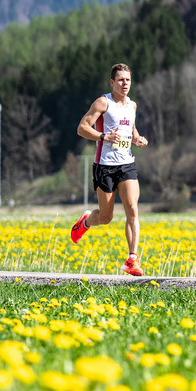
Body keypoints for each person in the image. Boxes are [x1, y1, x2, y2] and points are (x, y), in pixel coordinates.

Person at [70, 63, 149, 276]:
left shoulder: (132, 106)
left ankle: (132, 260)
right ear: (112, 82)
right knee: (105, 217)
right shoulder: (103, 103)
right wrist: (103, 136)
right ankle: (86, 222)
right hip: (104, 166)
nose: (125, 84)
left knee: (132, 207)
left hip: (126, 164)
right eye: (121, 80)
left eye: (128, 80)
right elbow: (82, 128)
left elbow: (130, 129)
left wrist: (137, 138)